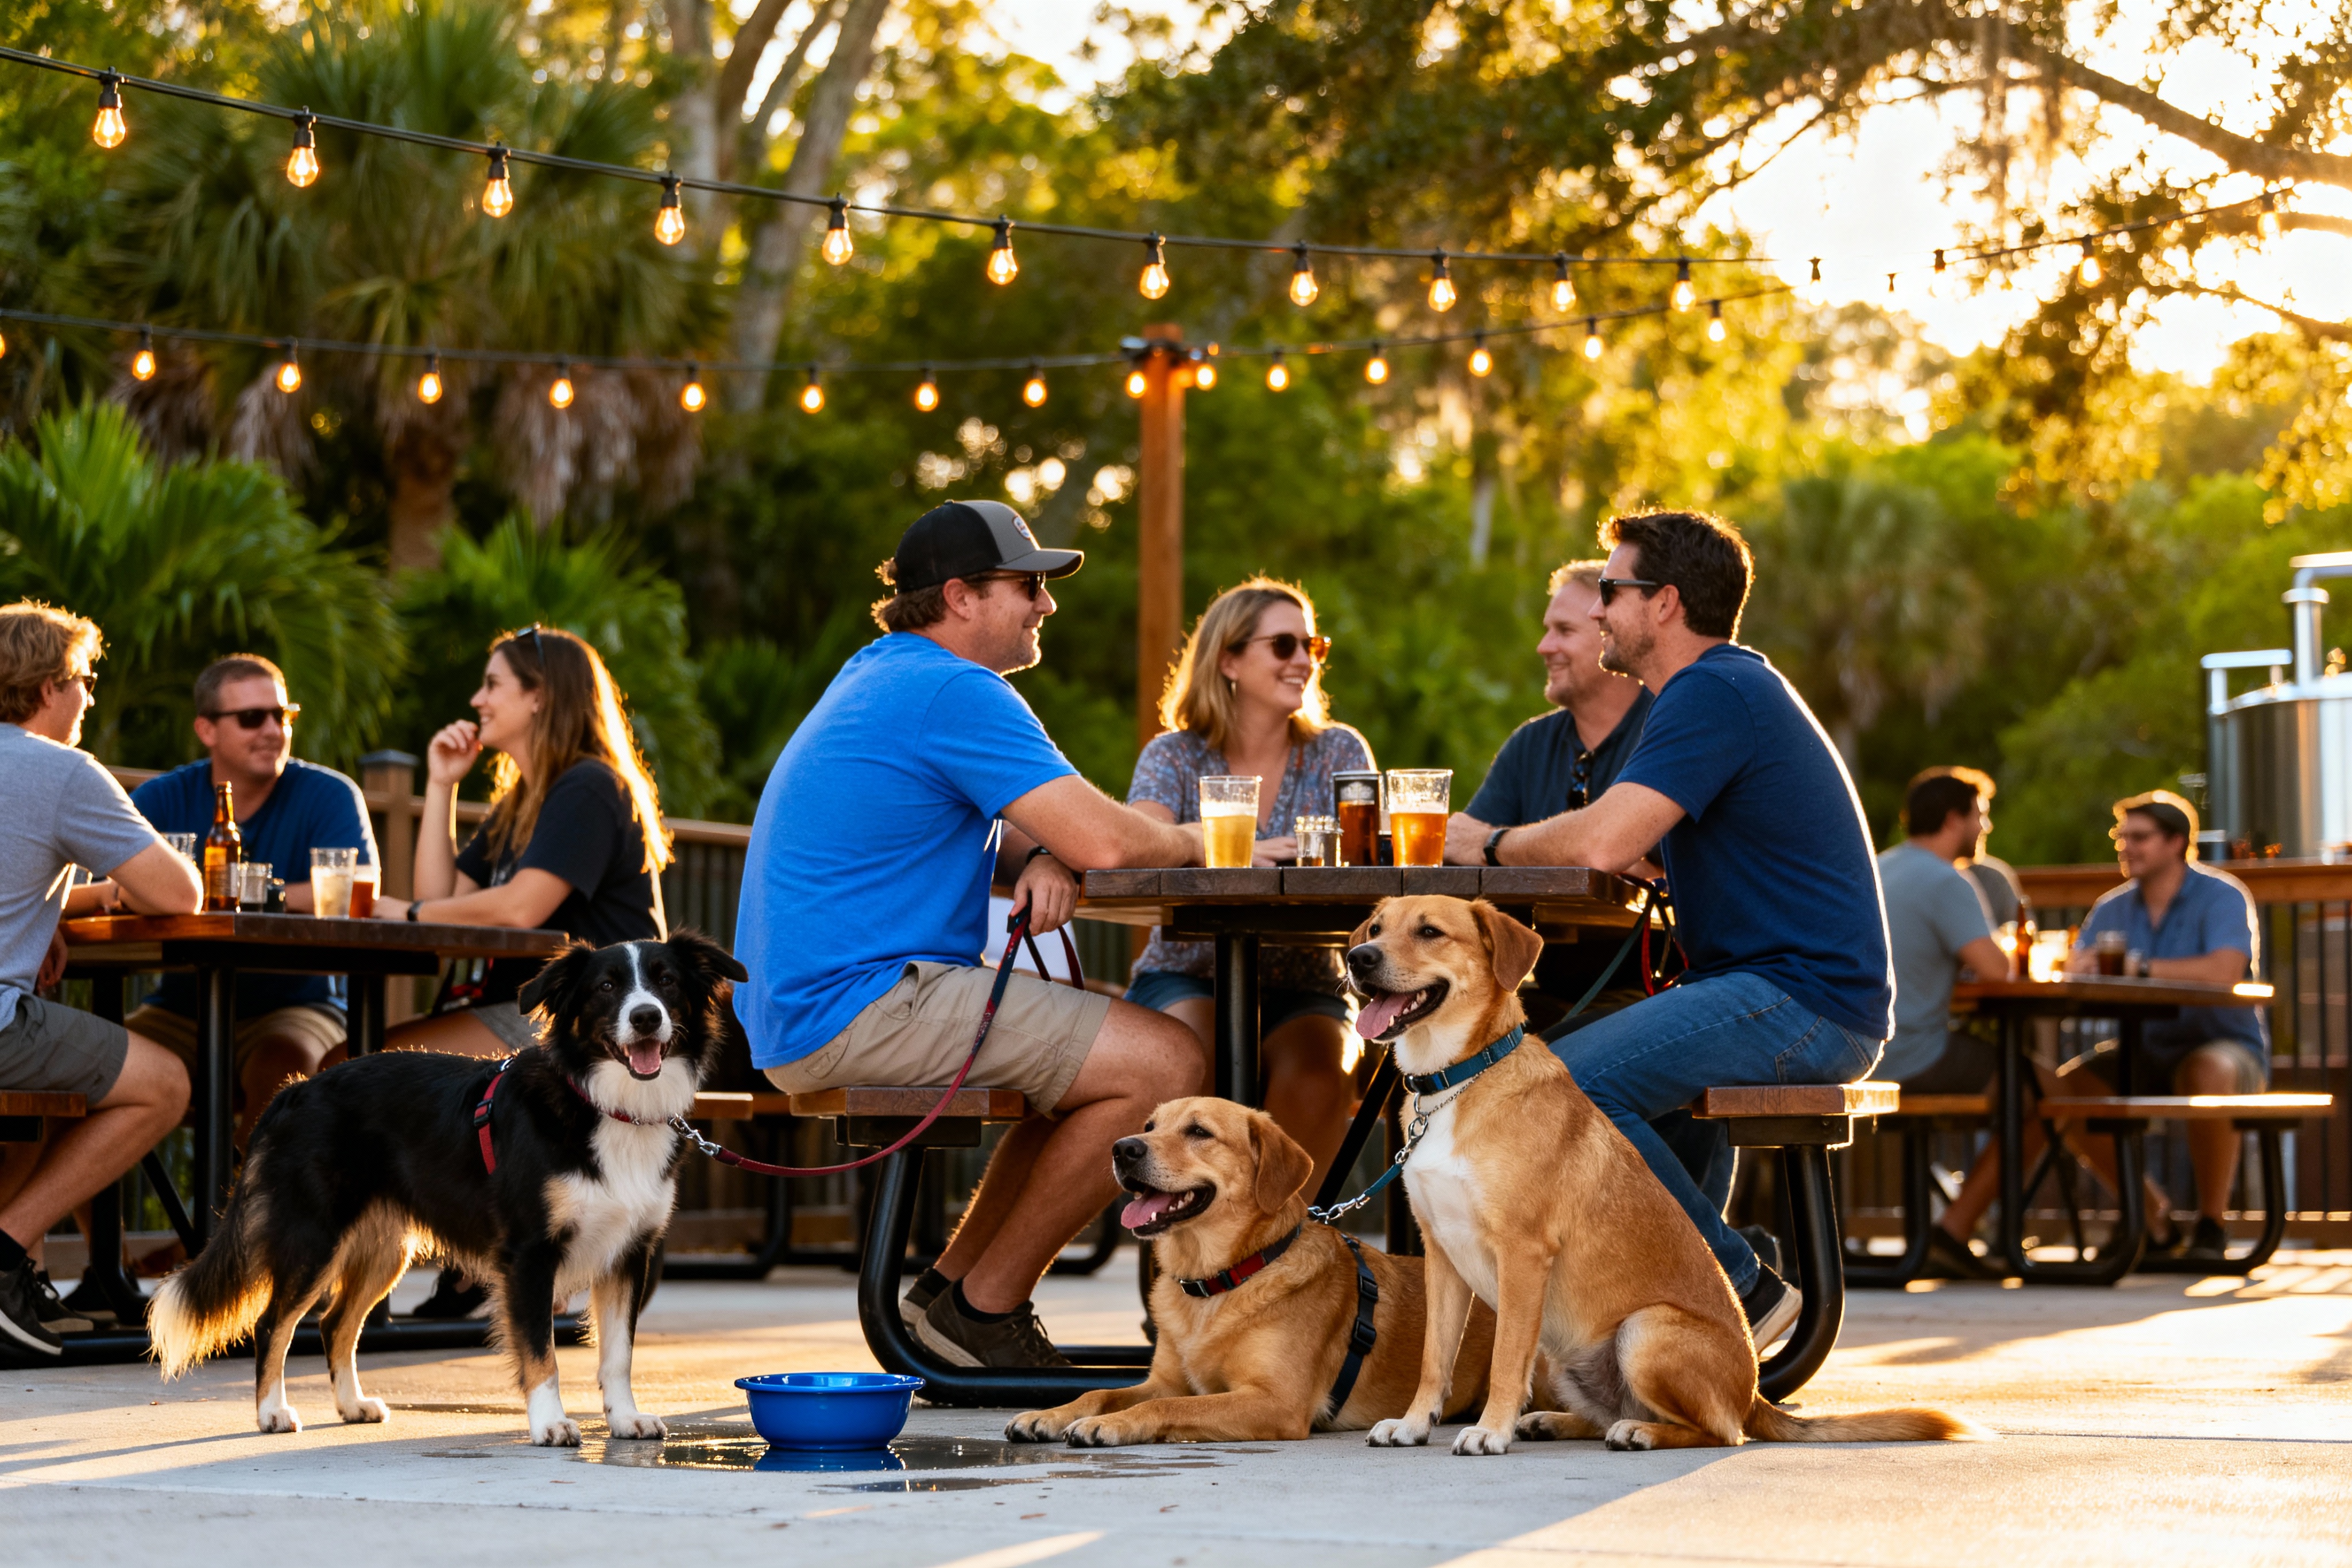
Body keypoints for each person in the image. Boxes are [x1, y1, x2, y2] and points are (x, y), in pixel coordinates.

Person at [735, 500, 1204, 1369]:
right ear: (960, 595)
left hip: (808, 1007)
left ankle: (949, 1300)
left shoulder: (886, 672)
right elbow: (1106, 837)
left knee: (1094, 1071)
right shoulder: (957, 689)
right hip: (862, 1003)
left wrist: (1043, 854)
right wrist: (1204, 837)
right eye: (1027, 585)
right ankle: (985, 1313)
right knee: (1165, 1062)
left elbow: (1029, 828)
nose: (1045, 604)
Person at [1442, 509, 1892, 1350]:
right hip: (1778, 989)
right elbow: (1655, 841)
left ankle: (1738, 1290)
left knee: (1563, 1086)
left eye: (1613, 589)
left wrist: (1491, 841)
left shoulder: (1711, 689)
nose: (1603, 606)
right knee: (1541, 1068)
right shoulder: (1718, 691)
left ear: (1665, 604)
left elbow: (1609, 836)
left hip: (1803, 1000)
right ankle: (1610, 1315)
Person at [373, 625, 670, 1317]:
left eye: (493, 684)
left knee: (378, 1067)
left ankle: (484, 1263)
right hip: (533, 1013)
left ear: (540, 697)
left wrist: (408, 912)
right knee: (364, 1066)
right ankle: (476, 1262)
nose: (477, 699)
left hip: (587, 1028)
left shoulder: (589, 788)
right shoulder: (525, 800)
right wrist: (442, 786)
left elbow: (521, 906)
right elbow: (444, 899)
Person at [1935, 791, 2262, 1265]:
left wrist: (2140, 968)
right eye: (2122, 836)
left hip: (2221, 1041)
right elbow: (2076, 968)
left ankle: (2211, 1224)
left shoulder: (2223, 895)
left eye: (2140, 837)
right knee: (2061, 1094)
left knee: (2209, 1072)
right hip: (2142, 1046)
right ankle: (2155, 1218)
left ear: (2176, 842)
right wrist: (2078, 967)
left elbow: (2224, 971)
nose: (2126, 846)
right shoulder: (2111, 907)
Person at [0, 602, 202, 1362]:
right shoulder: (59, 770)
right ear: (48, 686)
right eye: (83, 680)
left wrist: (60, 907)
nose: (88, 696)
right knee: (164, 1082)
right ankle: (6, 1256)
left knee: (53, 1089)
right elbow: (178, 894)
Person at [1126, 578, 1372, 1191]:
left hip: (1305, 981)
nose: (1303, 662)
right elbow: (1138, 842)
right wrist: (1224, 846)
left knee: (1319, 1078)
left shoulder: (1338, 749)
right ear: (1228, 659)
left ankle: (1275, 1250)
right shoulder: (1175, 755)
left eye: (1312, 646)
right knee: (1194, 1065)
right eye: (1283, 645)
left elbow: (1366, 856)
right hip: (1188, 969)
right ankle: (1193, 1244)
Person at [126, 655, 380, 1144]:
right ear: (207, 729)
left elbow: (355, 889)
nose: (272, 729)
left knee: (285, 1067)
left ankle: (246, 1221)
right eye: (251, 717)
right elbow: (114, 889)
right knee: (87, 1074)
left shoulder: (328, 793)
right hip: (181, 1007)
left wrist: (255, 893)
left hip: (301, 1003)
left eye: (282, 715)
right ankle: (79, 1226)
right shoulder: (161, 797)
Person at [1456, 559, 1653, 1035]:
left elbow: (1655, 871)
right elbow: (1462, 851)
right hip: (1537, 986)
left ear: (1609, 632)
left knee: (1533, 1052)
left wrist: (1494, 842)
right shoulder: (1531, 743)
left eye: (1563, 630)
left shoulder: (1665, 728)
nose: (1545, 647)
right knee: (1430, 1034)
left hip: (1655, 990)